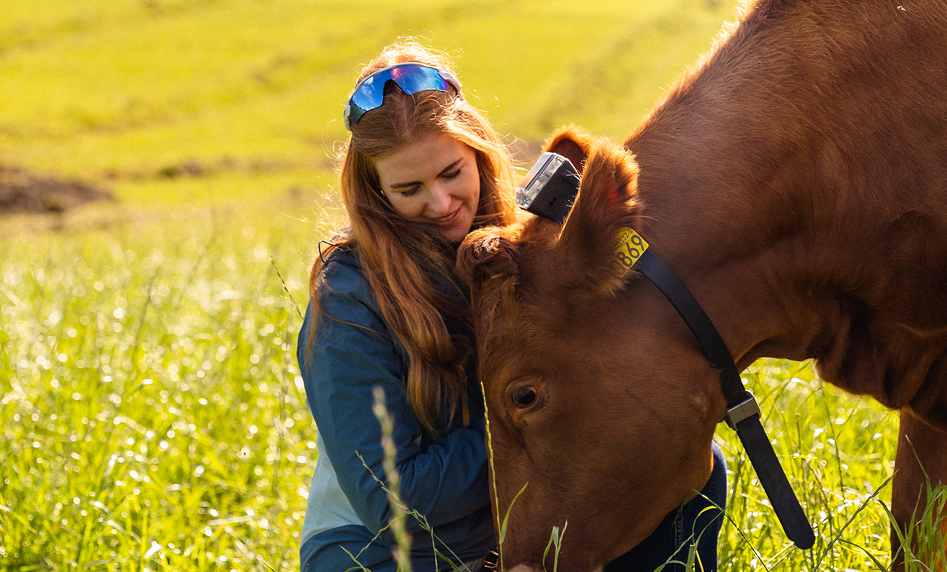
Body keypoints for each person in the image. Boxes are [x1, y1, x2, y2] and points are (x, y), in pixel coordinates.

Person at [297, 40, 728, 572]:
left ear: (477, 150)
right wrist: (545, 425)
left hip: (515, 516)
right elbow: (392, 501)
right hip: (380, 551)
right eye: (409, 188)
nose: (440, 204)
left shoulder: (522, 244)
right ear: (375, 190)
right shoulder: (348, 297)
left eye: (452, 173)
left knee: (690, 471)